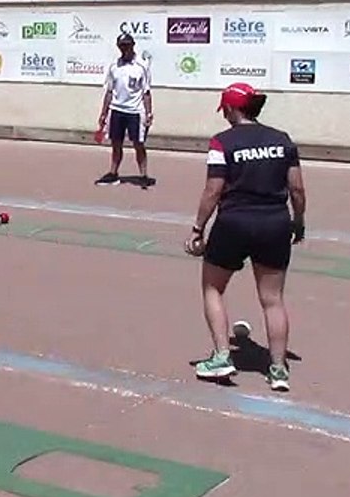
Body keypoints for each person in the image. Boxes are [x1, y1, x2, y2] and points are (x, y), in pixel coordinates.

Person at [183, 83, 305, 392]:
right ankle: (278, 369)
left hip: (234, 222)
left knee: (212, 287)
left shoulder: (222, 142)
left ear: (231, 109)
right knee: (273, 299)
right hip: (275, 223)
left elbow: (213, 190)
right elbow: (297, 189)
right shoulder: (282, 139)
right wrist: (298, 221)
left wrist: (198, 228)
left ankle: (222, 356)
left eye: (224, 108)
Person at [96, 33, 154, 187]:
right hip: (117, 110)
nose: (124, 49)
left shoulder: (142, 66)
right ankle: (113, 173)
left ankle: (143, 175)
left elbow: (146, 92)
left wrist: (149, 113)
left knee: (138, 144)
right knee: (116, 143)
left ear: (133, 45)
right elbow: (109, 91)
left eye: (127, 45)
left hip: (135, 111)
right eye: (121, 46)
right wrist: (103, 113)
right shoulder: (114, 66)